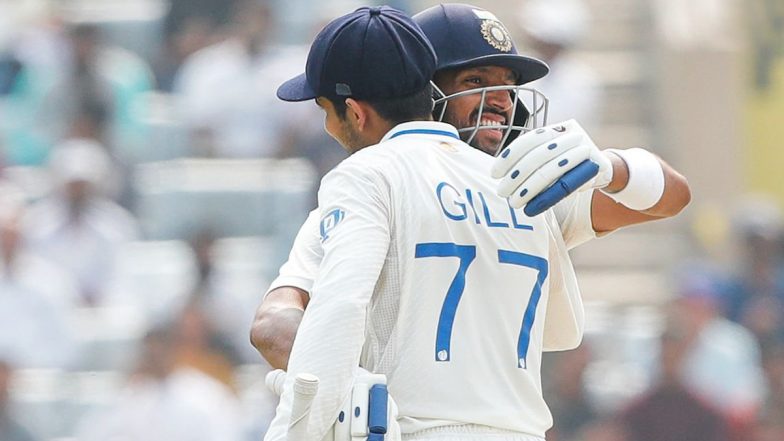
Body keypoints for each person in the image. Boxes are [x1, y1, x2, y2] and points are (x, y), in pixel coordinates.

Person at [260, 5, 689, 441]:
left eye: (509, 85)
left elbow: (672, 198)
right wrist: (340, 370)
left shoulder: (522, 184)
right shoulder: (392, 184)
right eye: (476, 82)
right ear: (424, 88)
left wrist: (610, 166)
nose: (500, 101)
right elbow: (277, 323)